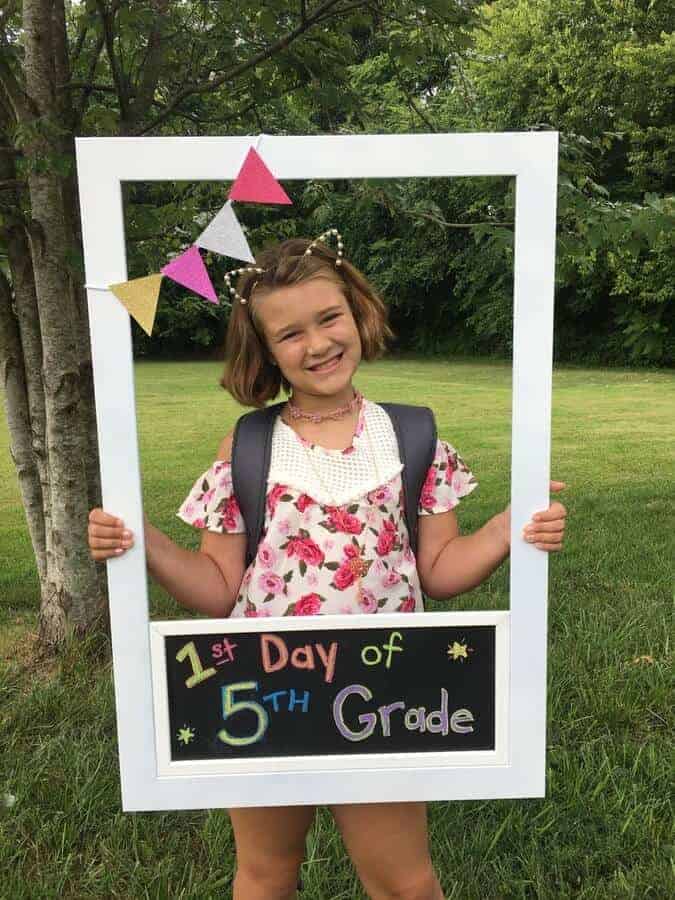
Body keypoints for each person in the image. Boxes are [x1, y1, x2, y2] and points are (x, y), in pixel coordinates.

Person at [88, 232, 567, 900]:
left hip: (382, 703)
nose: (316, 345)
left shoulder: (412, 437)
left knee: (404, 881)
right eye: (289, 334)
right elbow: (216, 587)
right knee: (265, 873)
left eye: (328, 318)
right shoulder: (247, 448)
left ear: (358, 312)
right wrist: (143, 543)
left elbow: (441, 571)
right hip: (263, 700)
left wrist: (505, 529)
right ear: (265, 351)